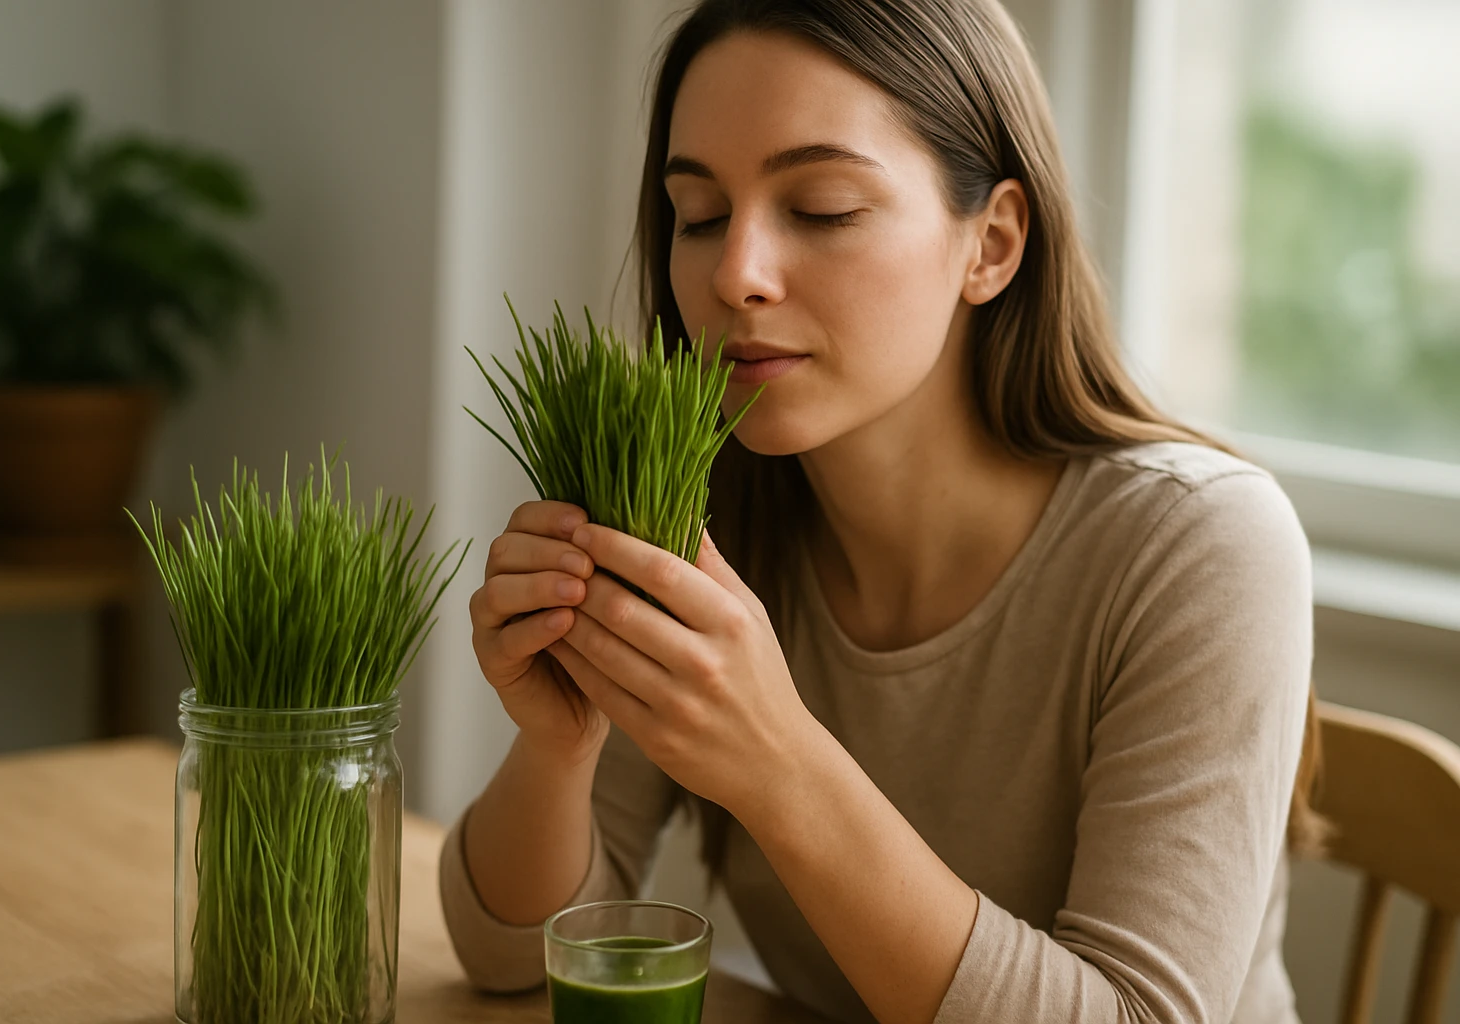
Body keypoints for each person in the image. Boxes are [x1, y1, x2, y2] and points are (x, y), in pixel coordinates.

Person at [439, 1, 1321, 1021]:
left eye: (820, 208)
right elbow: (508, 962)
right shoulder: (708, 518)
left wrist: (778, 763)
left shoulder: (1202, 545)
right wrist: (559, 745)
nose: (736, 274)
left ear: (990, 243)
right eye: (700, 215)